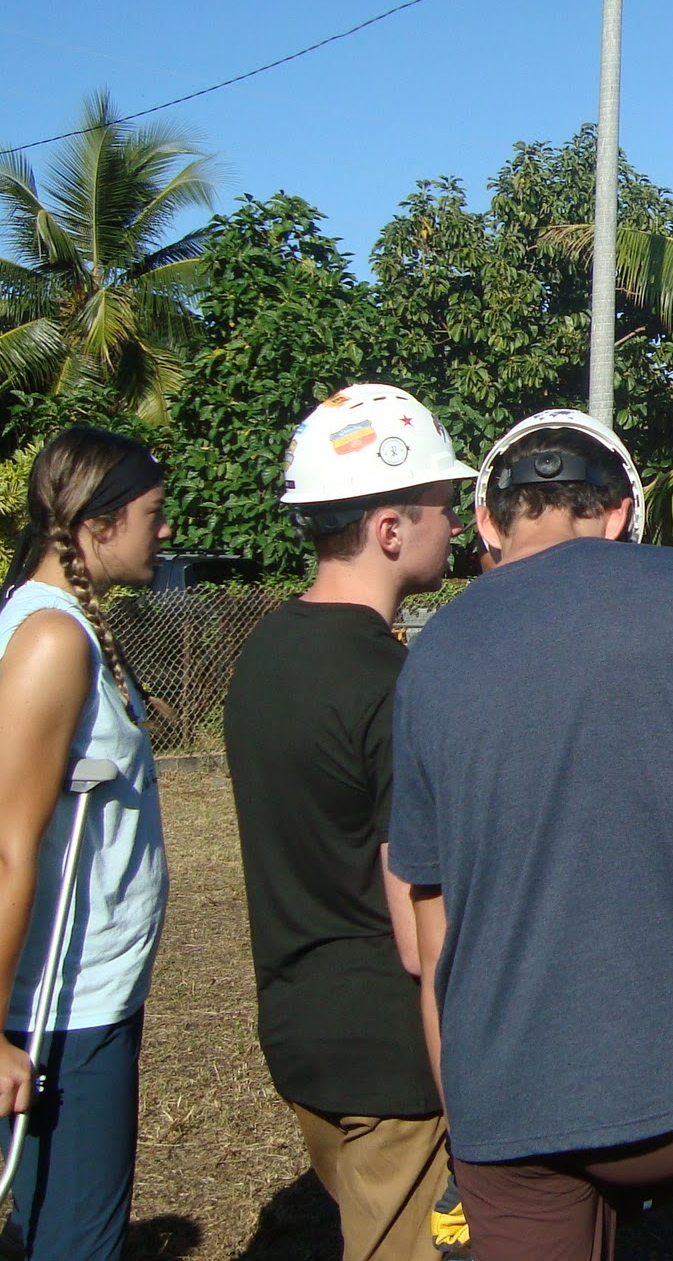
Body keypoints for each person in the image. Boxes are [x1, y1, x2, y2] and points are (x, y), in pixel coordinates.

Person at [386, 409, 673, 1261]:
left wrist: (465, 1142)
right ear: (619, 515)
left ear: (488, 521)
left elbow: (429, 938)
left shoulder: (430, 649)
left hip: (498, 1107)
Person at [222, 385, 476, 1261]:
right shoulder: (393, 687)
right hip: (390, 1061)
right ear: (391, 529)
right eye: (445, 505)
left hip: (298, 1031)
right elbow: (418, 931)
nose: (460, 524)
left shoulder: (263, 655)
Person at [0, 426, 171, 1261]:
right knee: (78, 1242)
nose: (166, 529)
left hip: (93, 991)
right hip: (59, 1010)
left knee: (55, 1230)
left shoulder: (68, 626)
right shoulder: (50, 641)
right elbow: (8, 848)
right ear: (95, 521)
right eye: (152, 512)